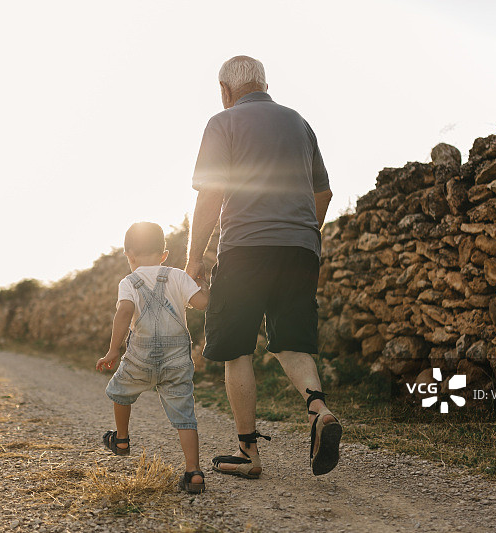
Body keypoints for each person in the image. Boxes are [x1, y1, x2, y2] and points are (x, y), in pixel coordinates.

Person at [185, 55, 341, 478]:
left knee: (236, 348)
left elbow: (211, 192)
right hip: (300, 248)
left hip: (245, 249)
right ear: (265, 85)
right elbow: (324, 194)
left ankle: (248, 454)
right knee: (292, 343)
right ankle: (319, 410)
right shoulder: (299, 123)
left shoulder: (223, 122)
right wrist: (302, 234)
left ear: (224, 90)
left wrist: (194, 257)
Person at [96, 222, 210, 493]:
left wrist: (113, 349)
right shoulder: (178, 276)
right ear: (164, 254)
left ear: (129, 255)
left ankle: (121, 438)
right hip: (177, 359)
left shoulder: (128, 282)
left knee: (120, 391)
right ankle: (193, 472)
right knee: (184, 413)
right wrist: (203, 284)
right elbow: (202, 303)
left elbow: (124, 312)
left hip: (140, 357)